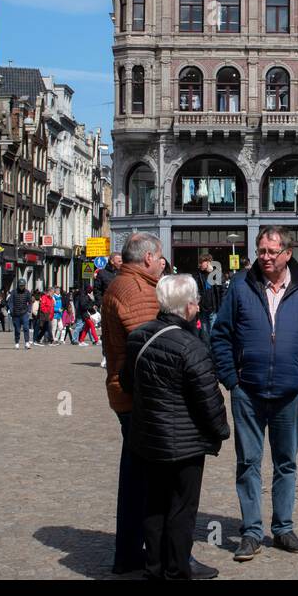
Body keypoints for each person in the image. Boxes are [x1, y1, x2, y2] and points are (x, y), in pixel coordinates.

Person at [210, 226, 298, 563]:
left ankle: (283, 528)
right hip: (247, 391)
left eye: (271, 251)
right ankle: (250, 532)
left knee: (286, 462)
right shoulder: (240, 287)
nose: (265, 257)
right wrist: (231, 380)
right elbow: (220, 335)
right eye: (261, 250)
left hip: (291, 392)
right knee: (248, 462)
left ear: (287, 253)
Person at [121, 274, 230, 581]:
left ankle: (153, 567)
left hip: (148, 439)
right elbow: (209, 399)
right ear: (187, 307)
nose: (197, 306)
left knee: (154, 506)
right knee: (182, 509)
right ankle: (177, 569)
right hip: (184, 443)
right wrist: (220, 431)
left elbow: (128, 383)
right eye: (195, 301)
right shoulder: (190, 346)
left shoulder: (138, 337)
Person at [102, 232, 166, 574]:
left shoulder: (121, 285)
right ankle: (157, 553)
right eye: (160, 259)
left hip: (124, 392)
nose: (162, 264)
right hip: (140, 396)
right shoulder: (137, 291)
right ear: (147, 259)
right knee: (152, 478)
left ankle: (128, 552)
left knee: (135, 475)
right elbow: (153, 348)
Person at [192, 253, 222, 345]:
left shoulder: (216, 273)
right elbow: (195, 291)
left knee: (213, 331)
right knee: (205, 333)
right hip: (202, 308)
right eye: (199, 262)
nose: (200, 264)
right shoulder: (197, 275)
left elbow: (221, 289)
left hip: (213, 308)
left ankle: (214, 350)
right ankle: (207, 351)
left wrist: (213, 273)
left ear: (209, 262)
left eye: (202, 262)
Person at [10, 279, 32, 349]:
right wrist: (11, 310)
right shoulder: (14, 292)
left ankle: (27, 342)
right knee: (17, 329)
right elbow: (10, 302)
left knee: (26, 327)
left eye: (23, 286)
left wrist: (29, 310)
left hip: (24, 313)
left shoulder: (27, 292)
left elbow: (30, 302)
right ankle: (17, 342)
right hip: (16, 313)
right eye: (20, 286)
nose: (21, 287)